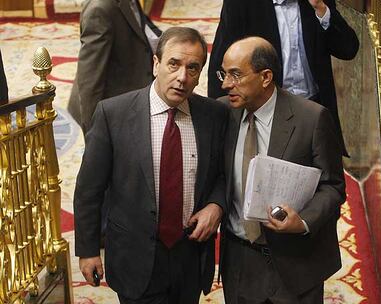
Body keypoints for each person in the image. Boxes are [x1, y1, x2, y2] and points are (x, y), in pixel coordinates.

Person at [73, 27, 228, 304]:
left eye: (193, 68)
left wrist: (216, 205)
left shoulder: (214, 115)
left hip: (190, 255)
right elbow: (89, 189)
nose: (182, 77)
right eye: (174, 64)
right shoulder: (113, 114)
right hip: (136, 256)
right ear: (156, 65)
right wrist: (88, 250)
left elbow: (223, 173)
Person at [219, 37, 346, 303]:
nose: (225, 84)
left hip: (296, 263)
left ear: (266, 77)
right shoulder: (220, 114)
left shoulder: (311, 118)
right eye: (224, 73)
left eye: (236, 75)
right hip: (240, 263)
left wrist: (302, 221)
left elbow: (333, 186)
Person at [208, 0, 359, 156]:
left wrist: (321, 9)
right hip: (266, 111)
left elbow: (348, 49)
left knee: (322, 175)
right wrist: (220, 126)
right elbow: (221, 64)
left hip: (313, 109)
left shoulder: (317, 3)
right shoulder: (241, 4)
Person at [68, 0, 161, 133]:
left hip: (133, 86)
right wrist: (93, 133)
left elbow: (143, 25)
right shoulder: (99, 10)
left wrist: (172, 42)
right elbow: (90, 79)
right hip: (113, 107)